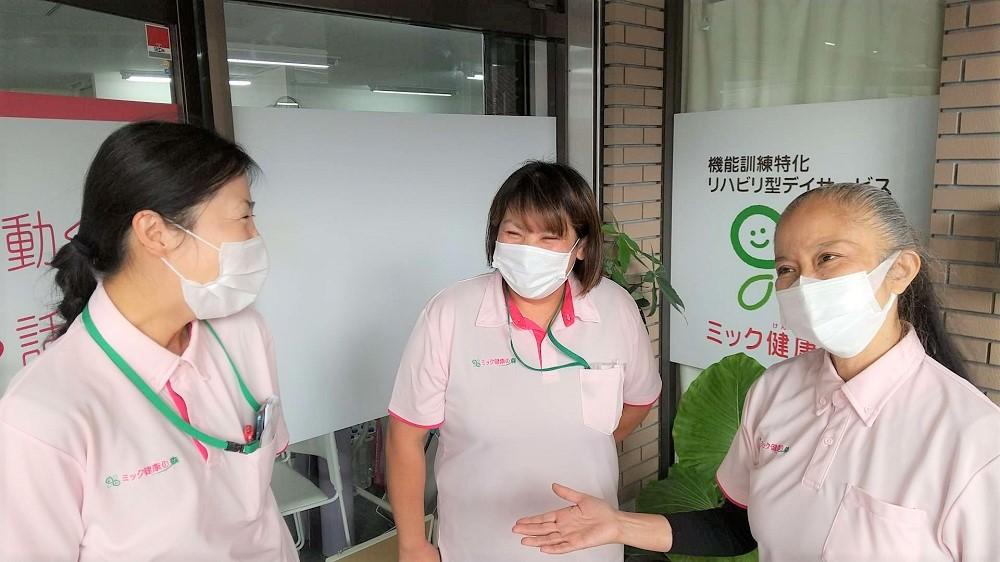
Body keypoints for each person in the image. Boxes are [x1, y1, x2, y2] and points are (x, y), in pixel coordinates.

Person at [514, 183, 1000, 561]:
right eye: (787, 269)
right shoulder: (775, 391)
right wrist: (619, 525)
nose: (805, 284)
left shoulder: (973, 439)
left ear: (900, 270)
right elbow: (736, 528)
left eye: (828, 258)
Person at [0, 121, 297, 561]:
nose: (255, 237)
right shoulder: (42, 415)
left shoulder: (243, 333)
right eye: (243, 217)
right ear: (155, 233)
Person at [386, 161, 662, 562]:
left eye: (549, 237)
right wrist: (413, 545)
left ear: (581, 246)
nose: (529, 251)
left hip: (590, 545)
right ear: (495, 235)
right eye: (514, 234)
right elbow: (405, 436)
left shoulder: (615, 308)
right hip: (477, 545)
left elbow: (639, 400)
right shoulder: (450, 313)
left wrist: (575, 442)